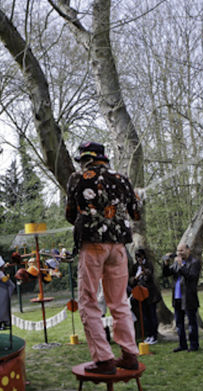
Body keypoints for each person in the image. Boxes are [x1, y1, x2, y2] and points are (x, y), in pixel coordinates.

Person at [65, 141, 141, 375]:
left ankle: (104, 359)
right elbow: (136, 213)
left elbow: (70, 215)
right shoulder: (122, 178)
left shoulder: (78, 179)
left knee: (89, 301)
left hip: (92, 245)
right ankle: (129, 354)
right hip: (118, 247)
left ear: (84, 159)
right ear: (103, 158)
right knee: (119, 301)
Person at [162, 243, 202, 352]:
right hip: (177, 297)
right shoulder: (176, 263)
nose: (179, 253)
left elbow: (191, 277)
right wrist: (166, 264)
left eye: (182, 250)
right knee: (179, 323)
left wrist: (182, 266)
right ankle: (182, 344)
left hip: (189, 297)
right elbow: (166, 274)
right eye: (178, 251)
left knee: (191, 323)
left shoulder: (194, 262)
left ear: (188, 250)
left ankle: (194, 345)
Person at [129, 248, 161, 344]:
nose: (139, 258)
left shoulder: (149, 264)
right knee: (144, 316)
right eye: (137, 256)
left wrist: (144, 270)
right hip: (140, 295)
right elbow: (131, 281)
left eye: (140, 256)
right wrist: (137, 277)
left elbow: (149, 276)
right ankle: (149, 334)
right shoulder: (135, 267)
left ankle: (154, 335)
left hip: (150, 294)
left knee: (152, 315)